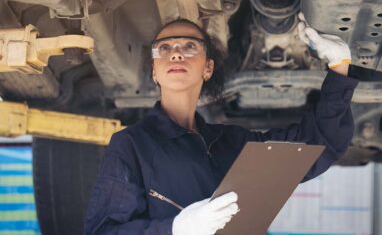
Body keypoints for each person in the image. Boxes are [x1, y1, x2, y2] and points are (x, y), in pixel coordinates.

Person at [84, 13, 359, 235]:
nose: (176, 54)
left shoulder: (232, 144)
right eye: (164, 48)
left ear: (208, 67)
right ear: (155, 71)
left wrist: (339, 66)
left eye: (190, 46)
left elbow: (315, 147)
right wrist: (175, 230)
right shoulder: (132, 144)